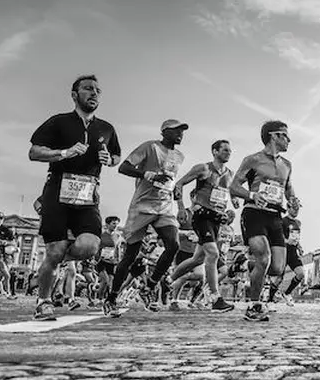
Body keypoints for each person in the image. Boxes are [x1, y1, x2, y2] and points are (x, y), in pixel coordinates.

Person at [29, 75, 121, 321]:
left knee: (90, 246)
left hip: (88, 194)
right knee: (55, 248)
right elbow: (34, 152)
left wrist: (108, 160)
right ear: (74, 95)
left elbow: (116, 157)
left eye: (97, 90)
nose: (94, 93)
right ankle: (44, 301)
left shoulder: (106, 128)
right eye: (88, 89)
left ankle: (53, 260)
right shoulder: (59, 122)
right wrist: (64, 153)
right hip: (58, 189)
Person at [102, 119, 188, 316]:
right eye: (176, 131)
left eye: (182, 131)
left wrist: (173, 190)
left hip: (164, 207)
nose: (180, 134)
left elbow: (170, 178)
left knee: (173, 244)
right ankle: (111, 298)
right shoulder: (150, 147)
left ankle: (149, 286)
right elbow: (123, 167)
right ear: (165, 132)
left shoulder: (179, 156)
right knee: (130, 256)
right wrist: (147, 175)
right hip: (142, 206)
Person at [230, 120, 299, 322]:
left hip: (275, 216)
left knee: (277, 267)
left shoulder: (287, 164)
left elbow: (288, 189)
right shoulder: (253, 160)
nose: (289, 139)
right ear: (273, 136)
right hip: (254, 212)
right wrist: (251, 195)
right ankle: (254, 305)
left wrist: (294, 201)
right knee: (264, 257)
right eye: (285, 135)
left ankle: (253, 269)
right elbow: (234, 187)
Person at [171, 139, 236, 313]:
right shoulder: (204, 169)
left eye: (230, 150)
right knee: (213, 254)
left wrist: (235, 200)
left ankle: (169, 279)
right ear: (214, 151)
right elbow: (179, 184)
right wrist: (180, 208)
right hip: (202, 216)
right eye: (224, 150)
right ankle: (215, 298)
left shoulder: (230, 174)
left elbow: (230, 194)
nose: (228, 153)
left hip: (216, 220)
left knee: (197, 259)